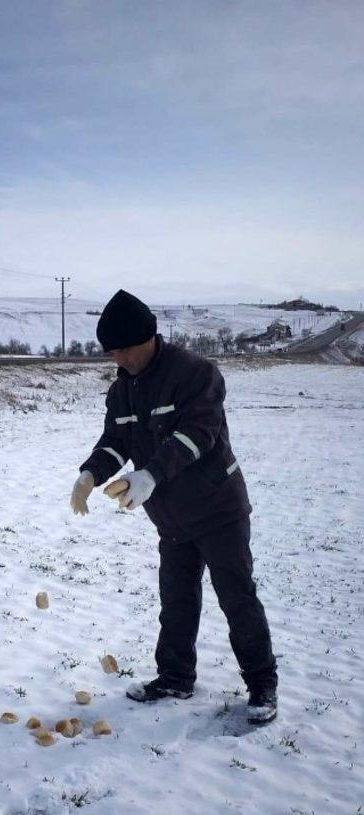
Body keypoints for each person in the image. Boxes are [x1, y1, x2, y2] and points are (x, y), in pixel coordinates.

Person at [70, 289, 277, 724]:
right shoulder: (122, 392)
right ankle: (176, 677)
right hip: (172, 518)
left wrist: (149, 476)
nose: (118, 360)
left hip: (219, 509)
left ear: (148, 338)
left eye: (123, 350)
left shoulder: (196, 374)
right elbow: (116, 442)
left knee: (237, 599)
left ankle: (262, 686)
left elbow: (196, 436)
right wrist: (90, 474)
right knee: (177, 601)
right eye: (111, 353)